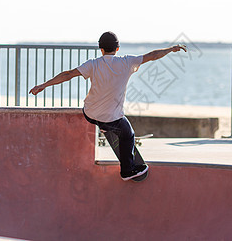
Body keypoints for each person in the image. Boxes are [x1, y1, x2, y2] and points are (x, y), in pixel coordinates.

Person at [29, 32, 187, 181]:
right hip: (112, 119)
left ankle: (103, 126)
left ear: (101, 49)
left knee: (102, 116)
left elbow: (68, 74)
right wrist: (171, 49)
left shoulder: (93, 64)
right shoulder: (127, 61)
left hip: (89, 114)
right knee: (128, 134)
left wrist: (43, 85)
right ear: (117, 49)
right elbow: (152, 56)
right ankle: (127, 170)